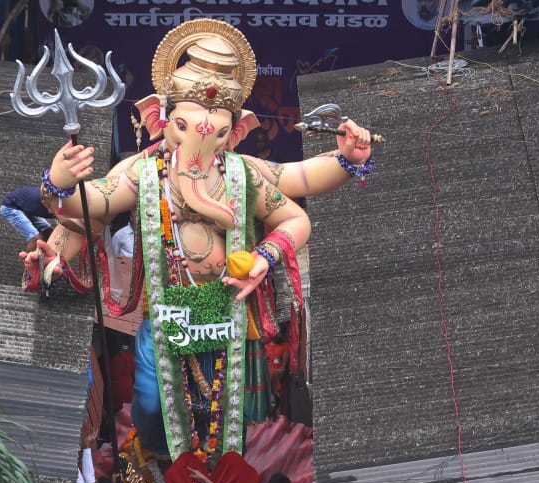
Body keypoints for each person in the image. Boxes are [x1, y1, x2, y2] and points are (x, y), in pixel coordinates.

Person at [28, 19, 374, 459]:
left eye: (219, 131)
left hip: (227, 307)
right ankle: (159, 464)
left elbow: (296, 186)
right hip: (168, 311)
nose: (200, 143)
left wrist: (346, 160)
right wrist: (56, 184)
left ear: (237, 129)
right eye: (185, 127)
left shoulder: (242, 172)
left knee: (230, 412)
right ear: (160, 119)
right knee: (153, 406)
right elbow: (91, 203)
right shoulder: (142, 171)